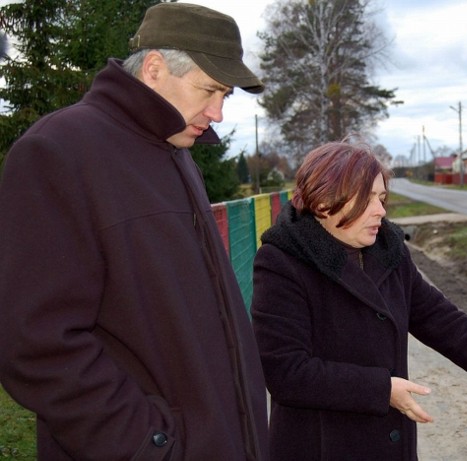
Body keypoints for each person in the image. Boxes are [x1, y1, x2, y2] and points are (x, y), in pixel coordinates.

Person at [0, 3, 268, 460]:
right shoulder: (59, 151)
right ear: (155, 68)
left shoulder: (177, 155)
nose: (218, 113)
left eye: (226, 95)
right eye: (209, 90)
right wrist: (151, 445)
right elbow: (35, 342)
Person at [250, 140, 467, 461]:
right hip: (320, 447)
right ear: (324, 203)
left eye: (382, 197)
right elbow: (286, 374)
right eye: (368, 199)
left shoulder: (389, 252)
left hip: (390, 447)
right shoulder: (282, 262)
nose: (381, 210)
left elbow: (448, 324)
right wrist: (381, 390)